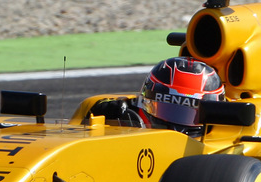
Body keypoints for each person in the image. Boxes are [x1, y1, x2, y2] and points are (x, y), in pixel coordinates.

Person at [89, 57, 225, 137]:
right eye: (169, 110)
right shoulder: (123, 115)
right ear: (145, 102)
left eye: (190, 115)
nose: (177, 128)